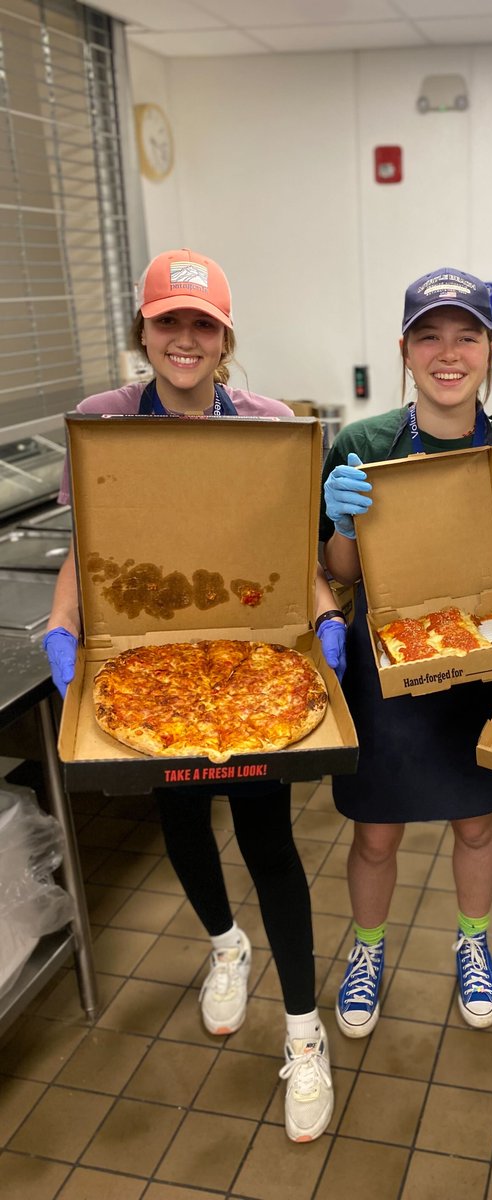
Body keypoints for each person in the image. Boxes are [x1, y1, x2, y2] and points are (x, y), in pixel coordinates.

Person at [41, 247, 346, 1142]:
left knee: (268, 840)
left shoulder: (264, 423)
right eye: (167, 321)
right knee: (180, 823)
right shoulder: (101, 422)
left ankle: (303, 1031)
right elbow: (86, 549)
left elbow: (293, 554)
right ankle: (225, 945)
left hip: (251, 663)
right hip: (149, 663)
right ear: (142, 329)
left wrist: (325, 616)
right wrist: (63, 628)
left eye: (200, 324)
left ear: (225, 337)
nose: (184, 338)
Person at [319, 268, 492, 1038]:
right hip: (382, 670)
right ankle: (368, 949)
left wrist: (481, 650)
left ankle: (474, 942)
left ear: (491, 349)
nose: (447, 353)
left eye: (466, 336)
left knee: (477, 825)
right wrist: (344, 525)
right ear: (405, 348)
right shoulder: (362, 444)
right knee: (375, 832)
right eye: (430, 335)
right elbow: (341, 576)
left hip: (475, 668)